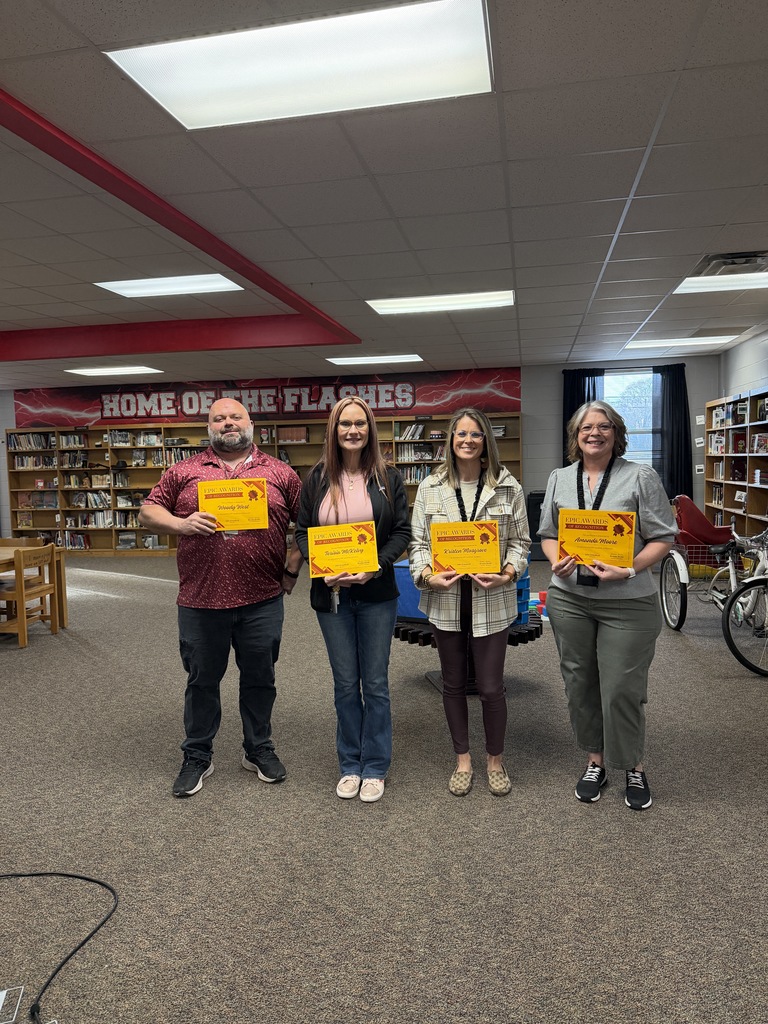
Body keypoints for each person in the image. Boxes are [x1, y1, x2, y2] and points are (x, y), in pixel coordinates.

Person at [139, 398, 303, 798]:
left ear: (251, 423)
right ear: (209, 427)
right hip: (201, 598)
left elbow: (309, 524)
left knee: (261, 679)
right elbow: (147, 512)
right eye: (219, 418)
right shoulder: (183, 471)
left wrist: (291, 569)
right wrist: (180, 522)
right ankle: (197, 755)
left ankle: (258, 748)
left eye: (235, 417)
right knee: (201, 681)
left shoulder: (281, 473)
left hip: (262, 598)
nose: (228, 423)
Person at [538, 400, 676, 811]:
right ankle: (595, 760)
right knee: (580, 683)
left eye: (603, 427)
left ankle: (632, 764)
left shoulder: (640, 477)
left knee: (620, 687)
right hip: (569, 600)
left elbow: (663, 537)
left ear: (616, 434)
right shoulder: (560, 478)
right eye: (585, 428)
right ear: (575, 437)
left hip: (628, 603)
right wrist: (553, 559)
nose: (593, 434)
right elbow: (547, 532)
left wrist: (629, 569)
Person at [409, 407, 530, 797]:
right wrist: (427, 574)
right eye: (460, 433)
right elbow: (419, 545)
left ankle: (495, 759)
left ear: (486, 441)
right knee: (453, 684)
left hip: (491, 600)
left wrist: (508, 573)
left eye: (475, 434)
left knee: (492, 688)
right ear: (450, 439)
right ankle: (462, 758)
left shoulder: (508, 487)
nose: (467, 440)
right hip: (445, 600)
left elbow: (521, 543)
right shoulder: (429, 487)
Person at [294, 397, 410, 803]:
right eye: (345, 423)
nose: (353, 430)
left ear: (370, 429)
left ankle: (375, 766)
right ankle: (350, 763)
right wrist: (319, 562)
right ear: (334, 428)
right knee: (345, 684)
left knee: (375, 683)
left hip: (377, 594)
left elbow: (401, 532)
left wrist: (376, 565)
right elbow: (302, 531)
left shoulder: (388, 478)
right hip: (332, 599)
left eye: (360, 423)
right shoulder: (317, 478)